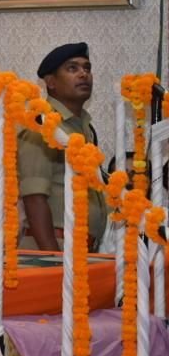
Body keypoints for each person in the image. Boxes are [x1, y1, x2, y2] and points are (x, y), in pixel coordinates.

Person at [18, 42, 107, 251]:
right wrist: (54, 260)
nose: (84, 74)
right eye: (72, 68)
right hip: (52, 248)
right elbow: (34, 198)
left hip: (80, 249)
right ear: (51, 82)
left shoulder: (83, 127)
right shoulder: (42, 125)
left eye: (87, 68)